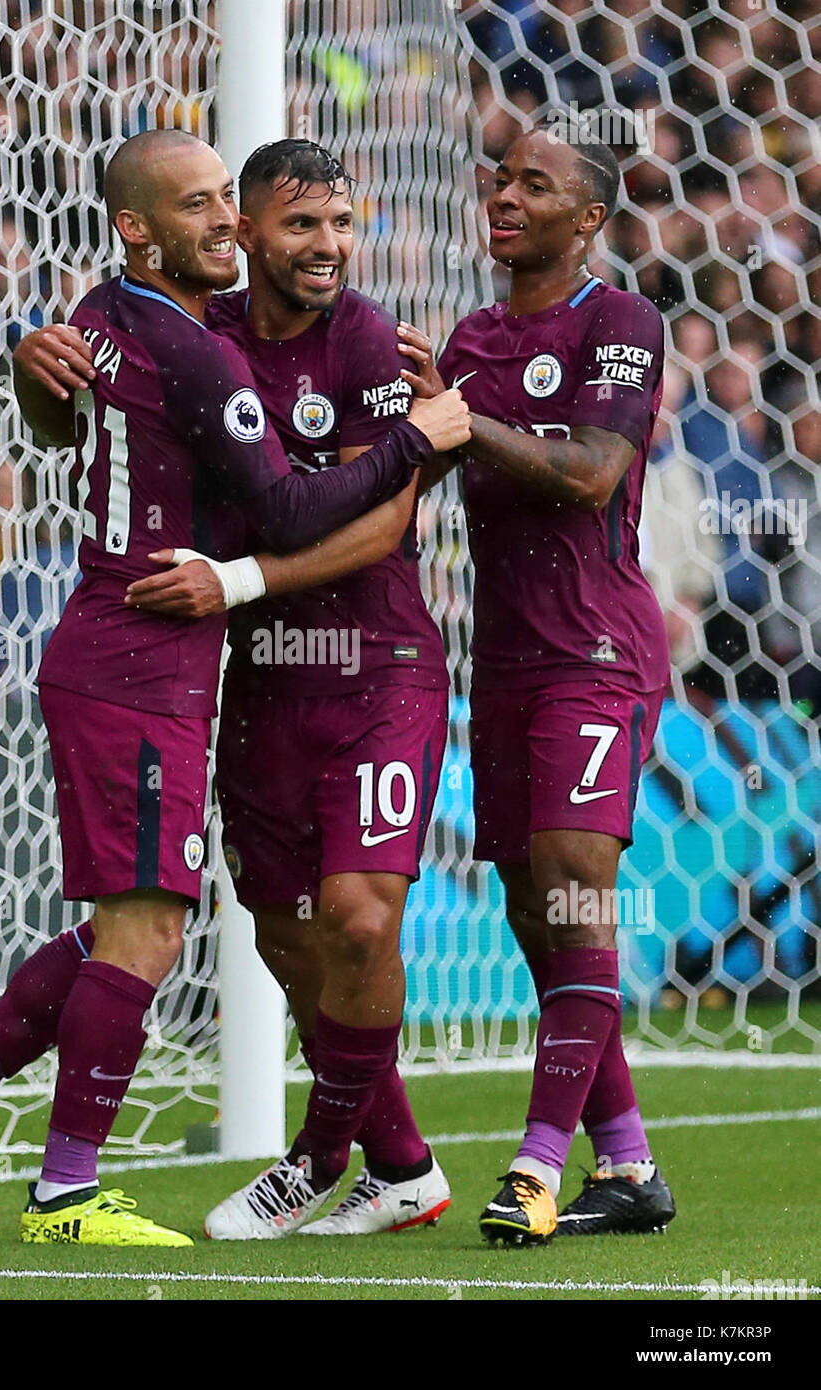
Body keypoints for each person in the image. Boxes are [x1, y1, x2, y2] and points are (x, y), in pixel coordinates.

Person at [0, 129, 469, 1247]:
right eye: (271, 219)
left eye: (339, 223)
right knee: (176, 930)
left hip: (333, 666)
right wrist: (421, 440)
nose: (316, 243)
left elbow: (369, 518)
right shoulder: (199, 339)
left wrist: (407, 444)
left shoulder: (174, 320)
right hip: (159, 662)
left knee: (192, 922)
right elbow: (283, 503)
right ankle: (57, 1184)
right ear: (161, 227)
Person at [421, 125, 677, 1243]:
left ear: (587, 220)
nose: (505, 194)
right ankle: (626, 1166)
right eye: (502, 176)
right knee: (537, 913)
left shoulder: (619, 322)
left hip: (596, 651)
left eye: (538, 184)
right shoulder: (471, 339)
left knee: (575, 887)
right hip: (507, 663)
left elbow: (588, 472)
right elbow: (411, 464)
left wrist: (465, 418)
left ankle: (531, 1169)